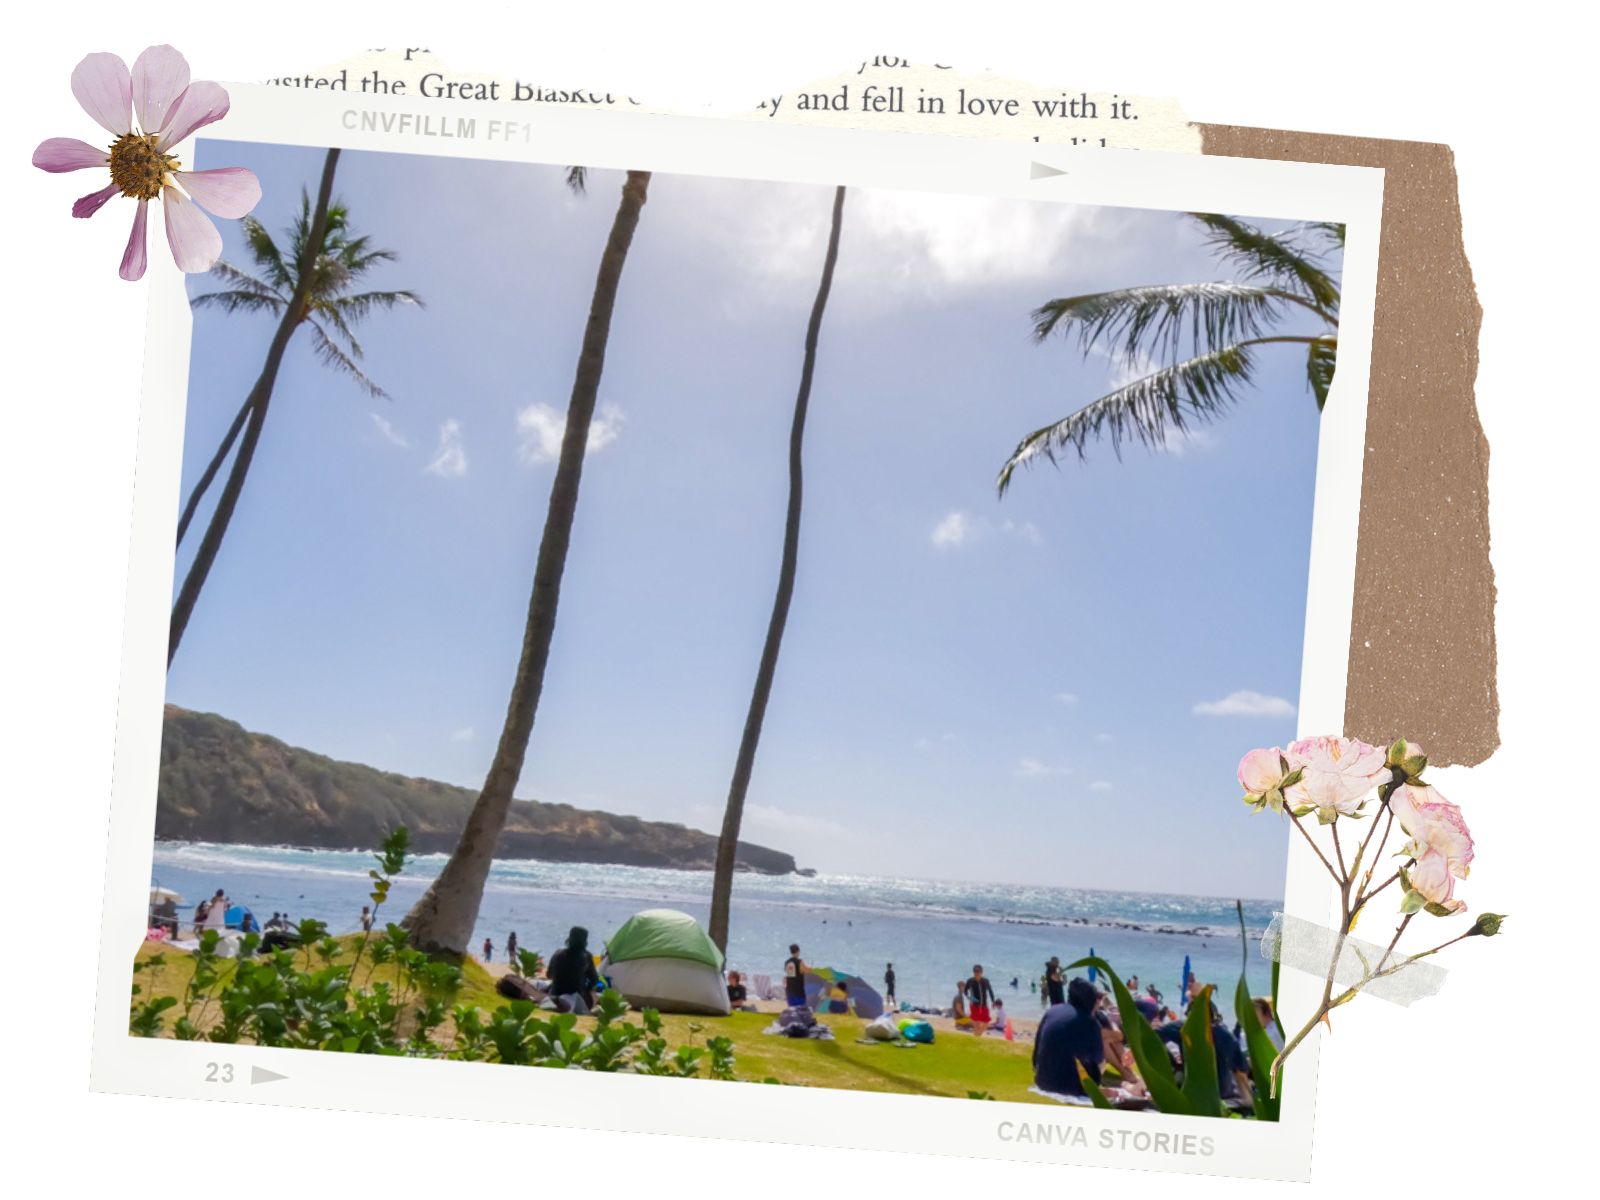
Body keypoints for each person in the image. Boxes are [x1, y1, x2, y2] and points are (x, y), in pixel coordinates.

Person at [1033, 977, 1106, 1097]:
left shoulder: (1052, 1011)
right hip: (1072, 1088)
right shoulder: (1090, 1023)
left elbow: (1036, 1051)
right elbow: (1098, 1063)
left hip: (1042, 1081)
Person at [547, 926, 602, 1014]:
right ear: (585, 941)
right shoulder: (586, 956)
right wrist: (598, 987)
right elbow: (595, 981)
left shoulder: (557, 953)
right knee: (594, 992)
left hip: (554, 994)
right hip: (576, 997)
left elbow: (549, 975)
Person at [964, 965, 996, 1036]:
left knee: (986, 1023)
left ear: (981, 972)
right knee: (976, 1025)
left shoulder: (985, 981)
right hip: (974, 1005)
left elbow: (990, 991)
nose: (976, 974)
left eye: (978, 972)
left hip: (984, 1005)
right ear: (973, 972)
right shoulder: (970, 981)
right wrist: (970, 998)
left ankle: (978, 1035)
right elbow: (965, 991)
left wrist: (993, 1001)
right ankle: (977, 1038)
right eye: (975, 972)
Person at [783, 943, 807, 1009]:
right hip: (798, 990)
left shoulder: (787, 962)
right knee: (801, 1011)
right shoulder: (800, 962)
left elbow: (789, 974)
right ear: (798, 951)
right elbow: (805, 972)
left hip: (790, 990)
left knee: (792, 1011)